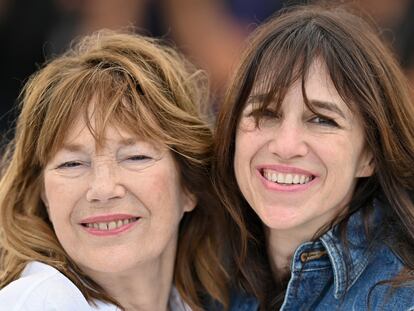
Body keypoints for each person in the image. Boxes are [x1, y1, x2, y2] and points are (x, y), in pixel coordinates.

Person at [0, 30, 229, 311]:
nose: (103, 189)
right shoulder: (40, 303)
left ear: (189, 184)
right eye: (72, 163)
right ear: (43, 194)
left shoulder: (200, 302)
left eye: (135, 157)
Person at [213, 4, 414, 310]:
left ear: (369, 156)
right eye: (266, 113)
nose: (286, 145)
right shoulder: (203, 278)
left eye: (322, 120)